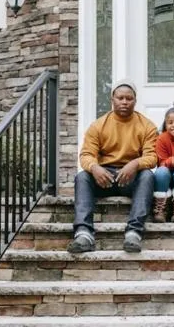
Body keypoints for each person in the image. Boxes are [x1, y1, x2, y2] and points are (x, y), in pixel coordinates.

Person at [67, 79, 158, 253]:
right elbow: (86, 155)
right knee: (82, 177)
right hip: (104, 177)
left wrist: (135, 163)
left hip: (130, 177)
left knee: (147, 175)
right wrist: (94, 168)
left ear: (135, 101)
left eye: (129, 98)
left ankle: (134, 233)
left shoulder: (147, 126)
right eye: (120, 98)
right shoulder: (98, 125)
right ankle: (84, 233)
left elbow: (152, 157)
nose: (124, 102)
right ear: (112, 99)